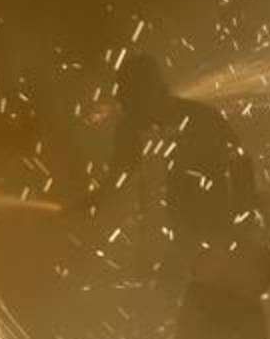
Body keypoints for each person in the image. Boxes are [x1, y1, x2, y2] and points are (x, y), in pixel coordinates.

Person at [91, 55, 257, 257]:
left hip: (215, 233)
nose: (125, 107)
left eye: (129, 100)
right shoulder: (129, 129)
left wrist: (244, 214)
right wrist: (80, 211)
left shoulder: (202, 119)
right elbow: (116, 184)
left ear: (146, 94)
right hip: (165, 241)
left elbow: (240, 163)